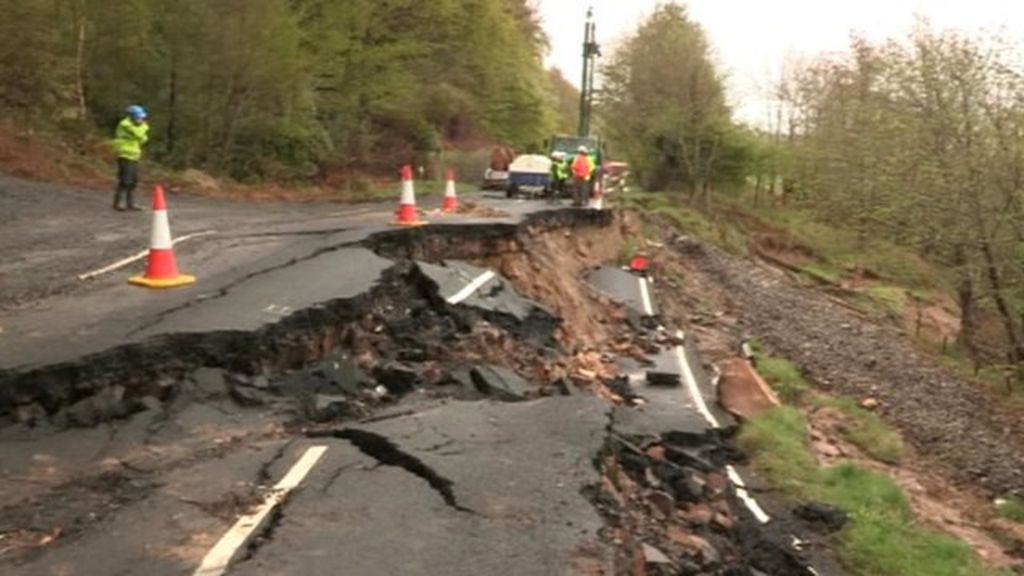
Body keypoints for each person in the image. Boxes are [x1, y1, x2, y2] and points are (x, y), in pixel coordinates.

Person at [112, 105, 149, 211]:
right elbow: (139, 134)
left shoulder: (135, 125)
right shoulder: (125, 124)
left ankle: (130, 203)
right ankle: (117, 203)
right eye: (138, 117)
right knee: (125, 180)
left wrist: (142, 132)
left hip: (134, 155)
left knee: (133, 180)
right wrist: (144, 127)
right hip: (125, 154)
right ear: (132, 116)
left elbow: (144, 139)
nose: (141, 119)